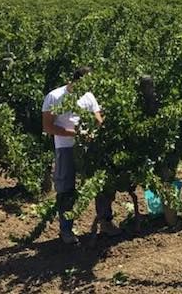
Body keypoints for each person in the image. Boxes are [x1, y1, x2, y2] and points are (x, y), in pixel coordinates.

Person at [42, 67, 120, 244]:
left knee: (100, 183)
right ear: (77, 80)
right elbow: (47, 127)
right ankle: (66, 230)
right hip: (65, 148)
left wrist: (105, 122)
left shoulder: (89, 96)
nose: (90, 87)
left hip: (89, 148)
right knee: (66, 188)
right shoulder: (55, 97)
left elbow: (98, 120)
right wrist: (75, 134)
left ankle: (105, 222)